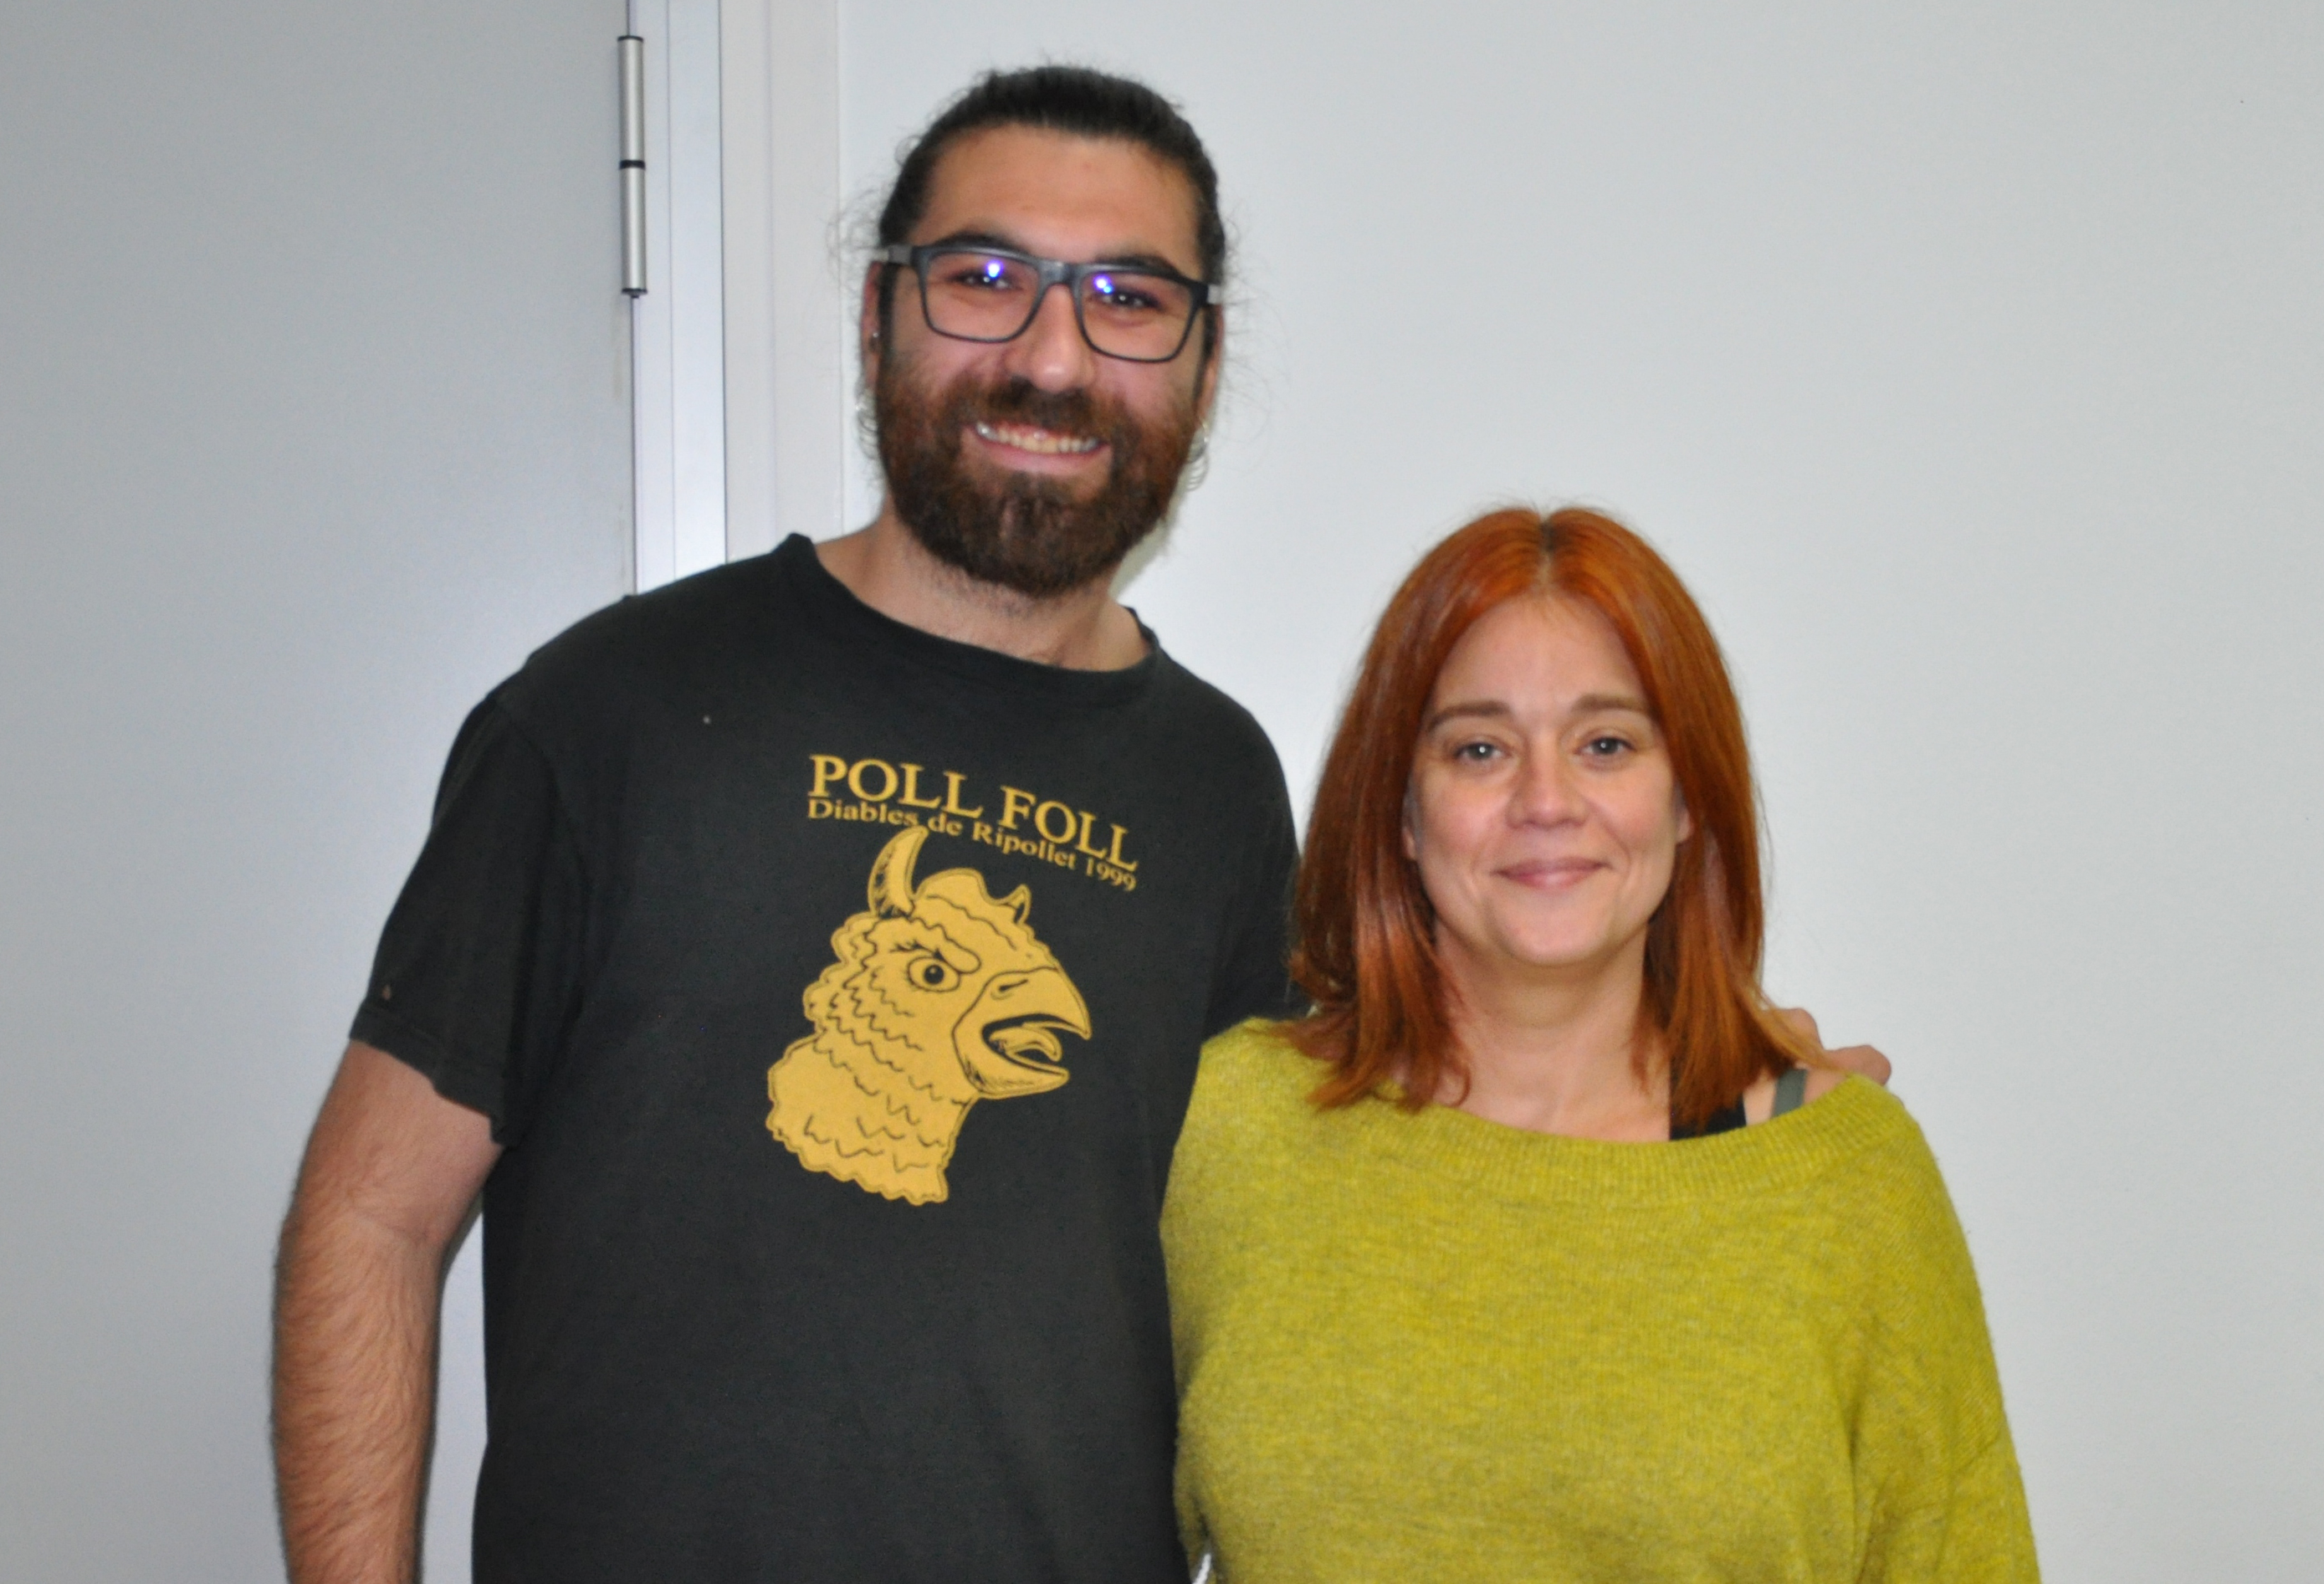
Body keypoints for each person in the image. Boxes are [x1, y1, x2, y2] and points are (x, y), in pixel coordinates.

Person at [272, 65, 1890, 1584]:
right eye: (984, 277)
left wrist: (1714, 1087)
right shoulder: (613, 710)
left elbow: (1390, 1141)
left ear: (1200, 362)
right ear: (876, 313)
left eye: (1127, 297)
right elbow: (370, 1215)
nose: (1051, 358)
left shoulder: (1219, 785)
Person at [1165, 507, 2035, 1581]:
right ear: (1402, 814)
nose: (1546, 801)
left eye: (1607, 745)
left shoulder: (1848, 1185)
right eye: (1480, 749)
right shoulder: (1229, 1134)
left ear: (1687, 801)